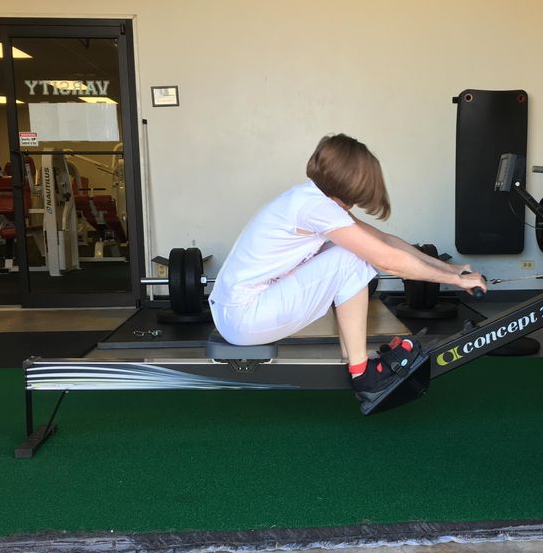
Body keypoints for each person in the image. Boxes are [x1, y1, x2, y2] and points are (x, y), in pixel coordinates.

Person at [208, 133, 487, 404]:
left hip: (237, 311)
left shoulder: (312, 199)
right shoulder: (316, 208)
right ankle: (364, 374)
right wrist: (454, 280)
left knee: (352, 251)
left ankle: (354, 360)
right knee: (352, 256)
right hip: (244, 316)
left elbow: (384, 240)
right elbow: (386, 259)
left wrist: (450, 268)